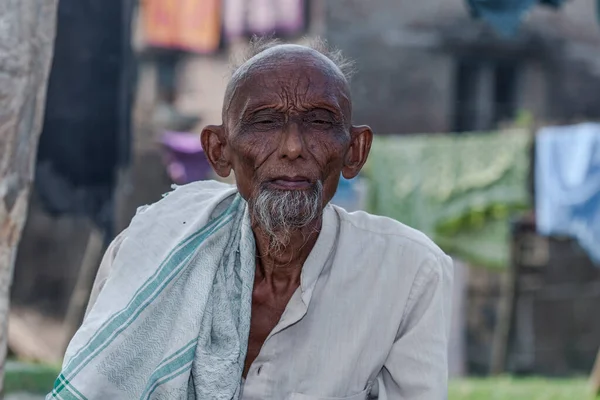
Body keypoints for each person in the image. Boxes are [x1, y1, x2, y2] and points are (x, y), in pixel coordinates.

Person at [48, 39, 453, 400]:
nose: (293, 147)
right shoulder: (146, 253)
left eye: (319, 122)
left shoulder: (410, 273)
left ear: (354, 151)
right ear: (219, 150)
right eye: (265, 122)